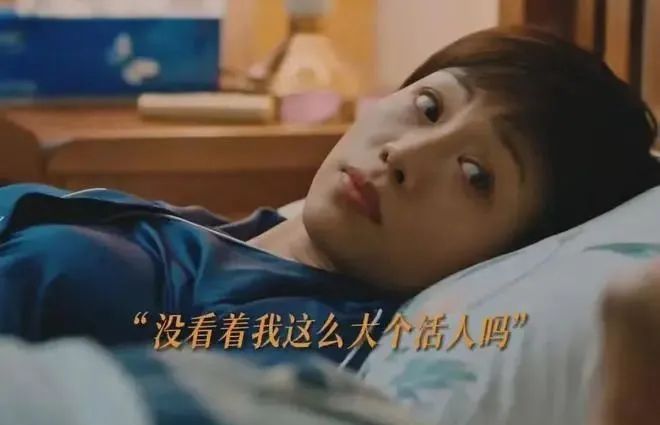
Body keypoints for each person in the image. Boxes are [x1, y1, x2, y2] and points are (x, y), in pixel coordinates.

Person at [0, 27, 659, 369]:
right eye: (430, 106)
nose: (404, 155)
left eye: (475, 175)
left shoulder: (298, 346)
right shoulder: (231, 235)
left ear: (511, 251)